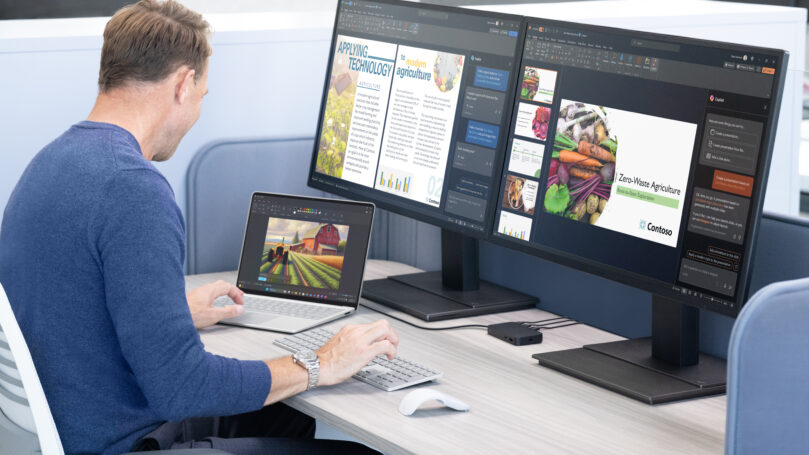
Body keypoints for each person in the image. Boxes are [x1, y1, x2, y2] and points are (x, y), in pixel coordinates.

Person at [0, 1, 398, 454]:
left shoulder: (49, 163)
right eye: (204, 95)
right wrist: (319, 362)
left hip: (78, 422)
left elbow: (68, 313)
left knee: (284, 415)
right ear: (184, 84)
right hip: (124, 440)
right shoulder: (133, 189)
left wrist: (170, 314)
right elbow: (182, 387)